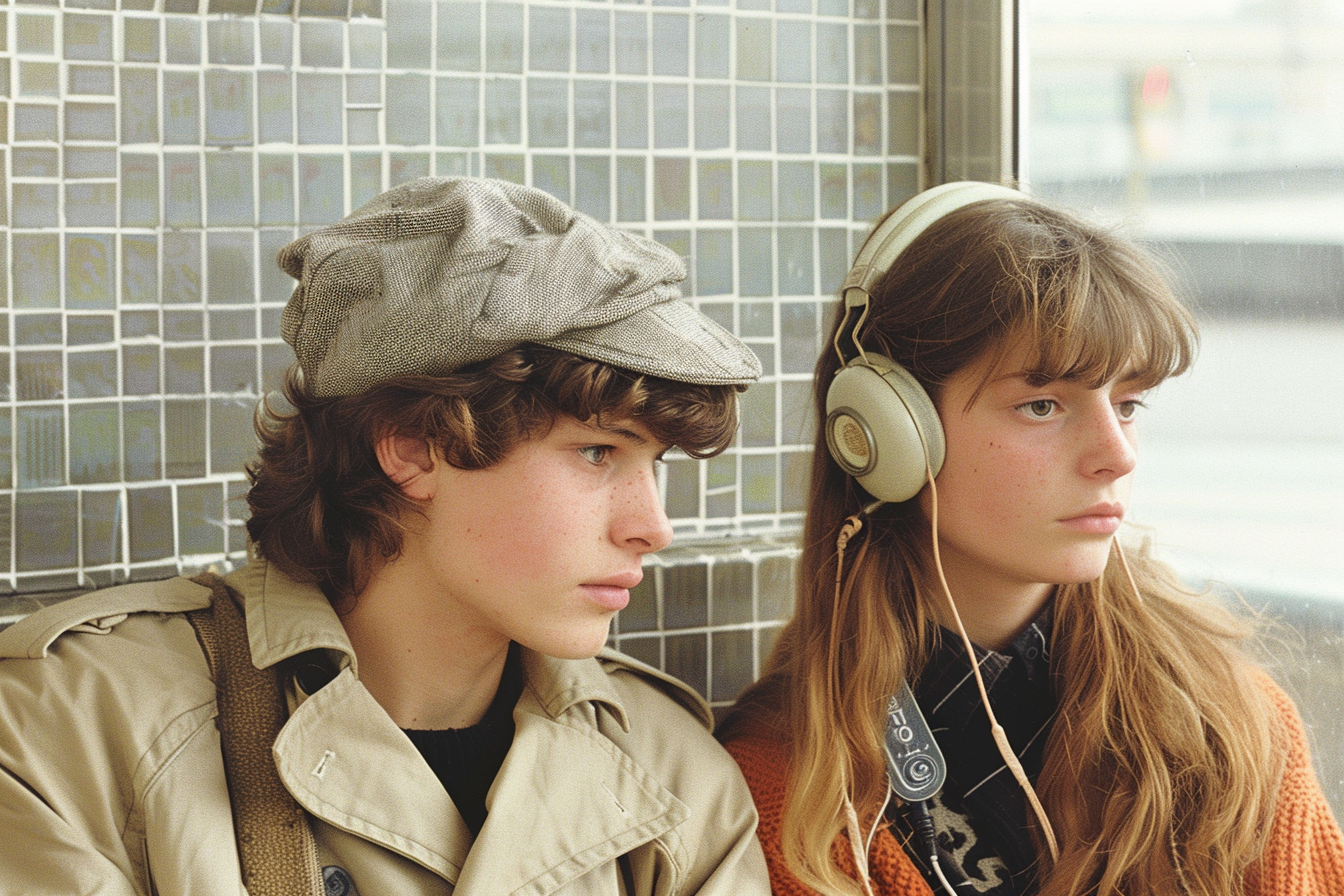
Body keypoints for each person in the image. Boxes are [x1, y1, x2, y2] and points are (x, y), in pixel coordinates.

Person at [0, 177, 772, 895]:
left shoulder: (676, 778)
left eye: (655, 463)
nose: (654, 527)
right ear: (410, 445)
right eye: (598, 452)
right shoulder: (75, 728)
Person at [718, 181, 1344, 896]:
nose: (1117, 453)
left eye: (1129, 403)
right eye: (1042, 405)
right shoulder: (786, 789)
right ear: (889, 432)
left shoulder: (1226, 722)